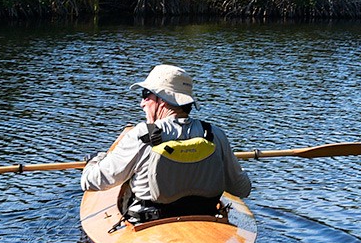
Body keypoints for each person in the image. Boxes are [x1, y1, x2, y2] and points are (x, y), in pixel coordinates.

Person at [81, 63, 252, 222]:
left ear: (162, 100)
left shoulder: (141, 135)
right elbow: (242, 189)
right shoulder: (215, 135)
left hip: (150, 226)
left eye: (146, 95)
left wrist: (94, 161)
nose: (142, 103)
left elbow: (92, 181)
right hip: (204, 219)